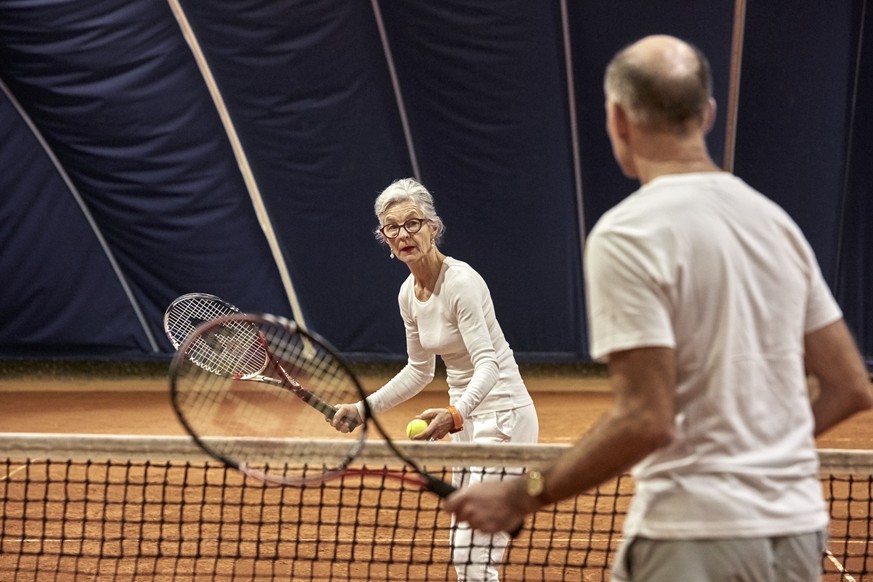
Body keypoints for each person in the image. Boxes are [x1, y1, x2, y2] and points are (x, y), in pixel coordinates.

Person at [444, 34, 873, 582]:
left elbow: (646, 419)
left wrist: (524, 494)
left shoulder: (627, 233)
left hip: (692, 536)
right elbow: (849, 385)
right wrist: (764, 452)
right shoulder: (775, 223)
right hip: (797, 533)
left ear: (619, 120)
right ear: (709, 115)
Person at [331, 177, 539, 581]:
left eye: (413, 223)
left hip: (504, 418)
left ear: (433, 227)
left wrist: (455, 413)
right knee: (470, 553)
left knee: (470, 550)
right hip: (465, 422)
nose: (403, 234)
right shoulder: (408, 294)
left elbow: (488, 364)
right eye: (392, 227)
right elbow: (419, 370)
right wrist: (362, 409)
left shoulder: (461, 282)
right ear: (384, 238)